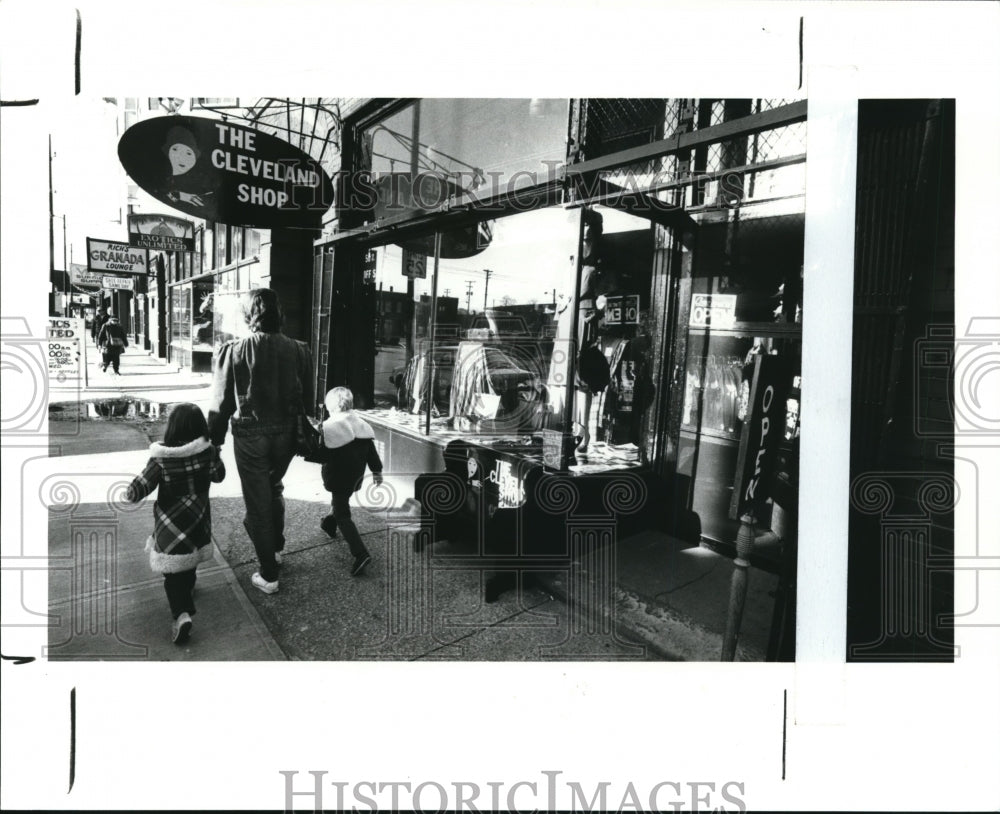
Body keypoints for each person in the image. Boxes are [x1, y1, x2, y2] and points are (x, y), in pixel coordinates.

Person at [207, 289, 313, 595]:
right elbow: (308, 396)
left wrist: (214, 442)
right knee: (274, 487)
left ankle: (269, 574)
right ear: (279, 313)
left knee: (257, 504)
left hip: (251, 436)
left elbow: (221, 403)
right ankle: (276, 549)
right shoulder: (299, 349)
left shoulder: (235, 350)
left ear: (248, 314)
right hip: (287, 436)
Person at [124, 403, 226, 644]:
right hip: (198, 522)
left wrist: (131, 491)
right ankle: (189, 588)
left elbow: (135, 491)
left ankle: (181, 615)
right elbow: (219, 476)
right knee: (189, 558)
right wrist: (217, 453)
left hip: (170, 528)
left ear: (172, 429)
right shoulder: (208, 453)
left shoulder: (161, 460)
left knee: (172, 572)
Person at [316, 387, 384, 576]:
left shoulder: (329, 427)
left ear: (331, 407)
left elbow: (321, 455)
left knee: (343, 515)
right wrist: (377, 472)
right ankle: (329, 523)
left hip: (337, 476)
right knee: (341, 499)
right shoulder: (361, 425)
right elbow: (371, 452)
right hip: (355, 476)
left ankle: (360, 554)